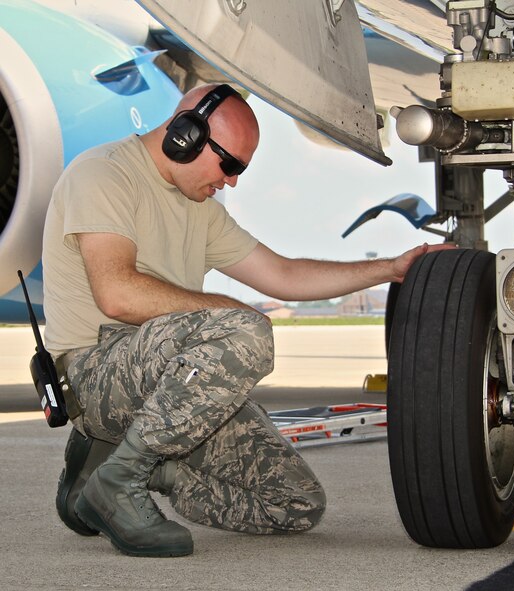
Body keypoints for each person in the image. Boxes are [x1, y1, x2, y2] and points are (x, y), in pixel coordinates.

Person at [42, 83, 451, 557]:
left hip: (171, 384)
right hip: (98, 373)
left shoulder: (201, 209)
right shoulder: (104, 174)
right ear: (185, 136)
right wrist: (228, 311)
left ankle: (121, 469)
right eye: (229, 164)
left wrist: (391, 269)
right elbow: (117, 295)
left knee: (295, 504)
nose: (232, 181)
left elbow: (284, 274)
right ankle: (121, 479)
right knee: (246, 331)